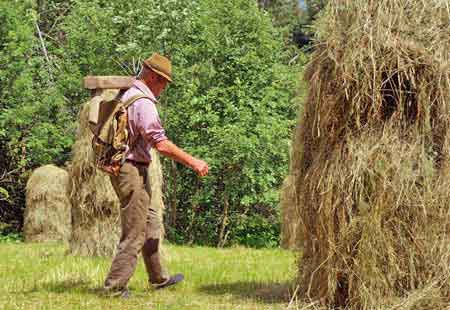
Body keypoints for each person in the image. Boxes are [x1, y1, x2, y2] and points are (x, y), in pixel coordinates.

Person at [103, 53, 209, 297]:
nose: (164, 88)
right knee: (135, 231)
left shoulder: (129, 93)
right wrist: (194, 162)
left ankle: (158, 278)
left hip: (132, 168)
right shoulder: (143, 101)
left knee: (151, 224)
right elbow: (160, 143)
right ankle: (114, 288)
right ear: (153, 77)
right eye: (163, 82)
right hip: (131, 170)